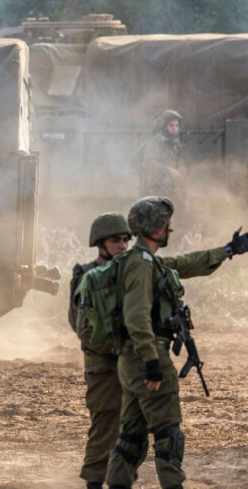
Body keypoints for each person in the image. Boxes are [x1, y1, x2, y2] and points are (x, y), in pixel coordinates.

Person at [105, 196, 248, 489]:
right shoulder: (141, 265)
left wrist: (228, 250)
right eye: (166, 225)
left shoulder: (140, 261)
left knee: (131, 436)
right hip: (148, 358)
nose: (171, 229)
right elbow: (136, 317)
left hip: (133, 361)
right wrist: (153, 363)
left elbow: (185, 263)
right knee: (168, 433)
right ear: (156, 228)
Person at [69, 213, 131, 489]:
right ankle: (94, 483)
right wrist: (117, 346)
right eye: (115, 240)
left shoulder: (129, 273)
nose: (123, 246)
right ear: (100, 243)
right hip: (102, 365)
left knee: (130, 430)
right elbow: (82, 327)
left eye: (126, 240)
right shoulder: (87, 277)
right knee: (104, 427)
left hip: (130, 364)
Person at [141, 110, 186, 209]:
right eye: (171, 125)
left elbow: (181, 172)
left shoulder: (176, 144)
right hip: (157, 189)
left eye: (176, 125)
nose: (174, 128)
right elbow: (148, 163)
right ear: (165, 127)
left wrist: (184, 197)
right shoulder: (156, 142)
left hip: (172, 189)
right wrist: (167, 169)